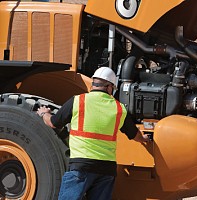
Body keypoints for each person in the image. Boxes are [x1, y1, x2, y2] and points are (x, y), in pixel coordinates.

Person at [37, 67, 150, 200]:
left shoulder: (77, 101)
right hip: (106, 169)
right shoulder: (119, 109)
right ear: (109, 87)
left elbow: (53, 123)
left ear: (93, 84)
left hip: (81, 166)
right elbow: (134, 135)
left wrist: (44, 113)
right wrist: (144, 139)